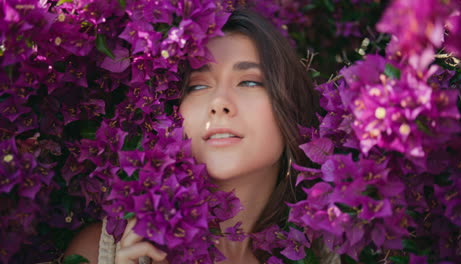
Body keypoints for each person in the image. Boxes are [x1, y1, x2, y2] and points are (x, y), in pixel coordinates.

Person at [64, 9, 339, 264]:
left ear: (290, 108)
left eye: (250, 82)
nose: (219, 102)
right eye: (197, 86)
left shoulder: (324, 254)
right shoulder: (101, 252)